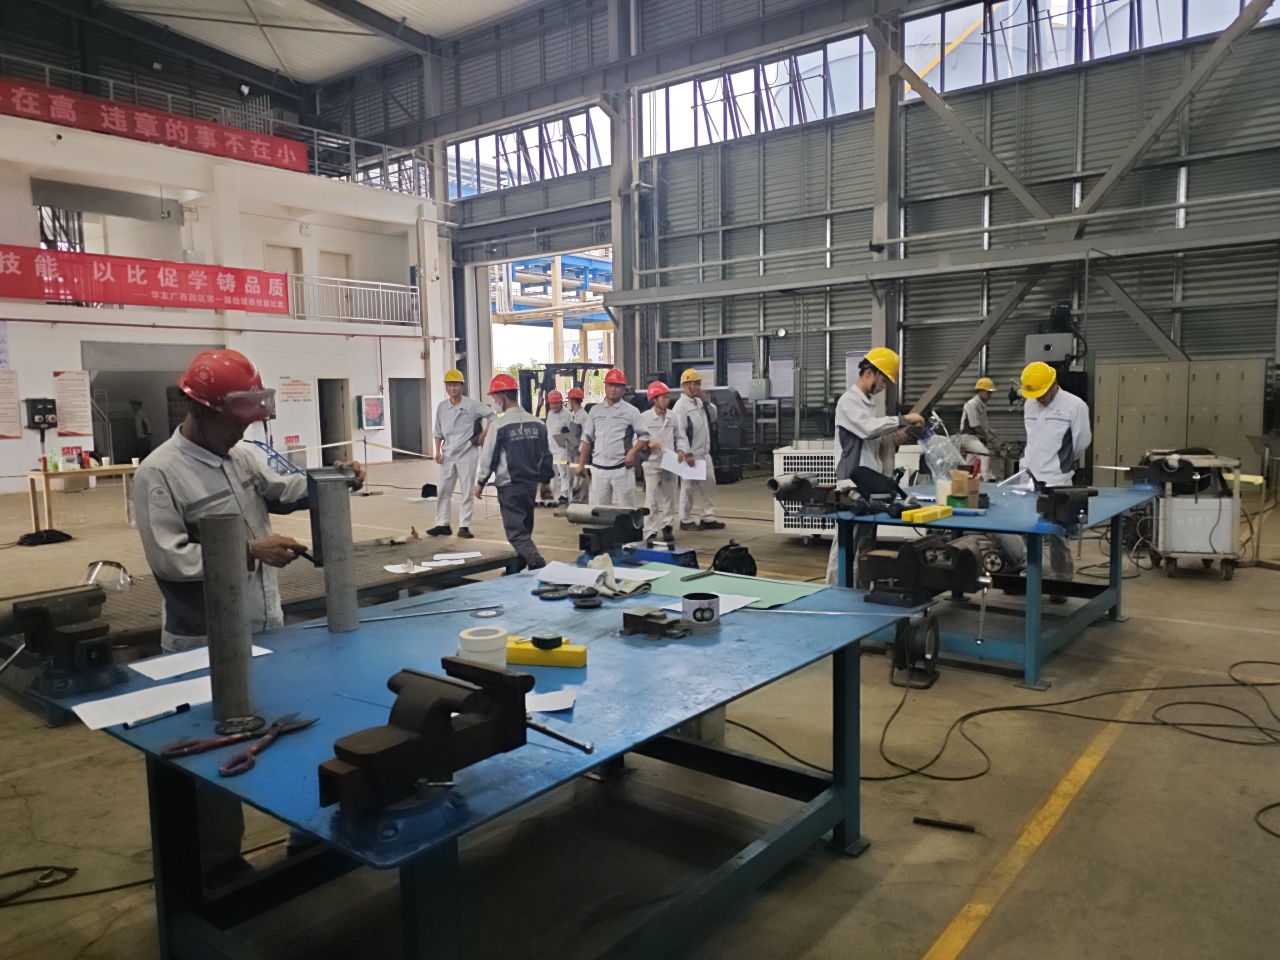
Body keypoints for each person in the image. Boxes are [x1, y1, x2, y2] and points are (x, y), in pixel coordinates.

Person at [131, 349, 365, 885]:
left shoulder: (240, 456)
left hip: (264, 625)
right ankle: (218, 864)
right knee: (215, 752)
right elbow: (170, 559)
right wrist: (248, 551)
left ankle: (307, 834)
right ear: (199, 410)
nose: (242, 431)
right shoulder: (159, 473)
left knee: (289, 733)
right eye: (233, 422)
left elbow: (283, 490)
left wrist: (334, 478)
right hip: (203, 640)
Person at [826, 348, 924, 586]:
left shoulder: (868, 406)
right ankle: (834, 590)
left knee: (865, 543)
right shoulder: (848, 402)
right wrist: (903, 419)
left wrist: (899, 435)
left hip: (869, 484)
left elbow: (873, 440)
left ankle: (858, 592)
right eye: (884, 380)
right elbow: (867, 429)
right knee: (846, 544)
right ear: (870, 372)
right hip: (853, 484)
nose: (884, 386)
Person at [1018, 361, 1092, 591]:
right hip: (1029, 476)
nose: (1038, 399)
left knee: (1058, 533)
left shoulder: (1075, 406)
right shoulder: (1030, 404)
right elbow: (1032, 439)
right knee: (1026, 528)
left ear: (1054, 384)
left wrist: (1061, 464)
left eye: (1041, 394)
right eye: (1034, 395)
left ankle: (1062, 579)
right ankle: (1031, 573)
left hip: (1057, 479)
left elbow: (1081, 442)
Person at [476, 374, 553, 571]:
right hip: (530, 486)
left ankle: (536, 562)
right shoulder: (538, 423)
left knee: (516, 533)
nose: (494, 401)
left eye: (495, 397)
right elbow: (546, 455)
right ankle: (517, 568)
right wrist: (545, 482)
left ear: (502, 397)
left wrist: (481, 481)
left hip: (509, 487)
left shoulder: (499, 426)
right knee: (525, 529)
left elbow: (488, 456)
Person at [429, 368, 494, 539]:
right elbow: (437, 431)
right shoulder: (442, 407)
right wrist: (437, 451)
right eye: (450, 385)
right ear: (446, 387)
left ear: (462, 387)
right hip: (447, 454)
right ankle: (442, 524)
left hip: (467, 454)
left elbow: (493, 416)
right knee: (443, 489)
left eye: (456, 385)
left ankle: (464, 526)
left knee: (466, 490)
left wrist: (482, 436)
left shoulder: (472, 405)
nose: (453, 388)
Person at [576, 368, 649, 507]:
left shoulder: (631, 411)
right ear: (605, 387)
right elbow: (587, 439)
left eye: (617, 386)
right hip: (599, 470)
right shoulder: (595, 411)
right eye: (610, 385)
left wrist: (632, 453)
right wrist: (581, 464)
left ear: (623, 388)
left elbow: (644, 436)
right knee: (600, 511)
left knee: (627, 510)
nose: (613, 389)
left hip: (622, 469)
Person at [671, 369, 724, 531]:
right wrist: (686, 453)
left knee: (709, 484)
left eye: (699, 383)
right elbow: (680, 432)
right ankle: (685, 519)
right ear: (685, 385)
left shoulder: (699, 403)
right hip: (691, 455)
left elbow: (713, 417)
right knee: (688, 487)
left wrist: (706, 402)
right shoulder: (680, 407)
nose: (698, 387)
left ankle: (707, 517)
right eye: (695, 384)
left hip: (704, 453)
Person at [640, 381, 679, 542]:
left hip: (670, 462)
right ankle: (650, 530)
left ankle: (668, 526)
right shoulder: (644, 418)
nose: (667, 400)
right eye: (664, 397)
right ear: (654, 399)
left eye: (668, 397)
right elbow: (637, 439)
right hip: (652, 463)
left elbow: (680, 437)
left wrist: (682, 451)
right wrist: (648, 443)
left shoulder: (673, 417)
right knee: (651, 498)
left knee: (670, 497)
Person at [959, 377, 998, 480]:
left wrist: (991, 431)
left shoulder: (982, 405)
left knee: (970, 462)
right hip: (968, 438)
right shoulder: (972, 404)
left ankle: (964, 479)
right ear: (980, 391)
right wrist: (989, 437)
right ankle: (988, 478)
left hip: (975, 437)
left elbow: (982, 424)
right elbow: (975, 425)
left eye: (991, 393)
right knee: (984, 453)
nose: (990, 395)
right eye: (988, 392)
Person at [543, 389, 574, 504]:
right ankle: (550, 494)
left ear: (561, 402)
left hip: (562, 449)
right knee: (552, 473)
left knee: (564, 473)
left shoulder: (568, 415)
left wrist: (568, 432)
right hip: (551, 449)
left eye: (556, 403)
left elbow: (573, 433)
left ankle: (564, 495)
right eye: (552, 403)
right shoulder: (550, 414)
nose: (554, 406)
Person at [565, 387, 589, 503]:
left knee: (581, 476)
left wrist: (581, 449)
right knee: (573, 476)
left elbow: (587, 434)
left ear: (573, 401)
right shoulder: (573, 415)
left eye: (569, 400)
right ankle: (575, 498)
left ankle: (582, 499)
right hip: (572, 450)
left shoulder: (583, 416)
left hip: (579, 452)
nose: (569, 402)